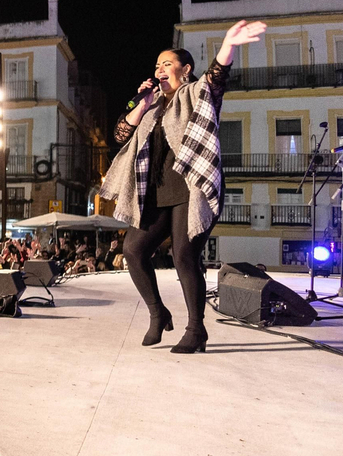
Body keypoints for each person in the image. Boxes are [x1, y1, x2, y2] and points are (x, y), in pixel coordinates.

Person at [100, 19, 264, 354]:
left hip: (191, 188)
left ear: (185, 70)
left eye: (167, 64)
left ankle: (196, 330)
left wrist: (228, 46)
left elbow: (216, 80)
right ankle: (158, 313)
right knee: (132, 249)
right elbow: (118, 136)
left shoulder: (195, 94)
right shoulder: (151, 108)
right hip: (158, 194)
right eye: (157, 65)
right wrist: (142, 104)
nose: (160, 69)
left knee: (184, 253)